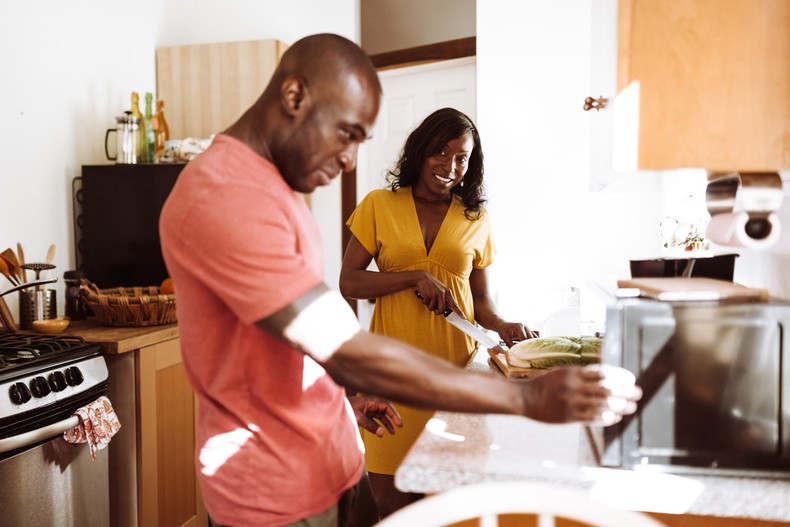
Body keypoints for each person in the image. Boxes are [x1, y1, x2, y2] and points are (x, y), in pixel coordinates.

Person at [159, 33, 641, 527]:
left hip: (332, 458)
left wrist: (341, 397)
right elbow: (340, 340)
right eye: (346, 133)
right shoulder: (224, 195)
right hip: (273, 493)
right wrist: (526, 397)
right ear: (294, 96)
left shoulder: (275, 188)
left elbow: (288, 337)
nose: (349, 160)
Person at [339, 107, 539, 515]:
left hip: (455, 380)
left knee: (451, 511)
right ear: (421, 151)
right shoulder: (379, 205)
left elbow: (480, 301)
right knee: (393, 508)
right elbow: (350, 281)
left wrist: (502, 324)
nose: (450, 167)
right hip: (390, 380)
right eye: (440, 153)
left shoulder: (475, 218)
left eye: (462, 157)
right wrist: (412, 277)